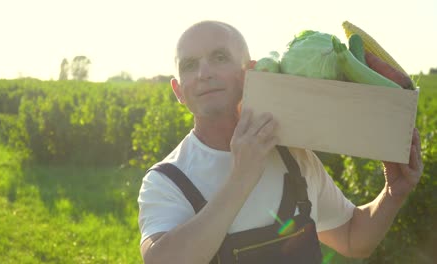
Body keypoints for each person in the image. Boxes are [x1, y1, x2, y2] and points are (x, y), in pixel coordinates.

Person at [137, 20, 424, 264]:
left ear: (250, 72)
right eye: (190, 65)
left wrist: (392, 193)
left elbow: (352, 239)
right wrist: (242, 176)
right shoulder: (167, 179)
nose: (204, 73)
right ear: (178, 91)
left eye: (220, 57)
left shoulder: (294, 155)